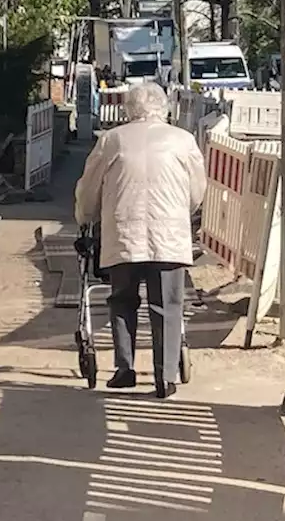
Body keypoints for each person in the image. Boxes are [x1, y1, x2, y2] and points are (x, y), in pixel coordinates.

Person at [74, 81, 208, 398]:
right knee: (168, 305)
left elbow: (89, 188)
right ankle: (165, 376)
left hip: (123, 233)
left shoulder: (111, 141)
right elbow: (197, 191)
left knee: (122, 299)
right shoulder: (183, 140)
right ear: (164, 108)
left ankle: (124, 369)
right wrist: (183, 211)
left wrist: (85, 216)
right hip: (169, 236)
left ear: (128, 109)